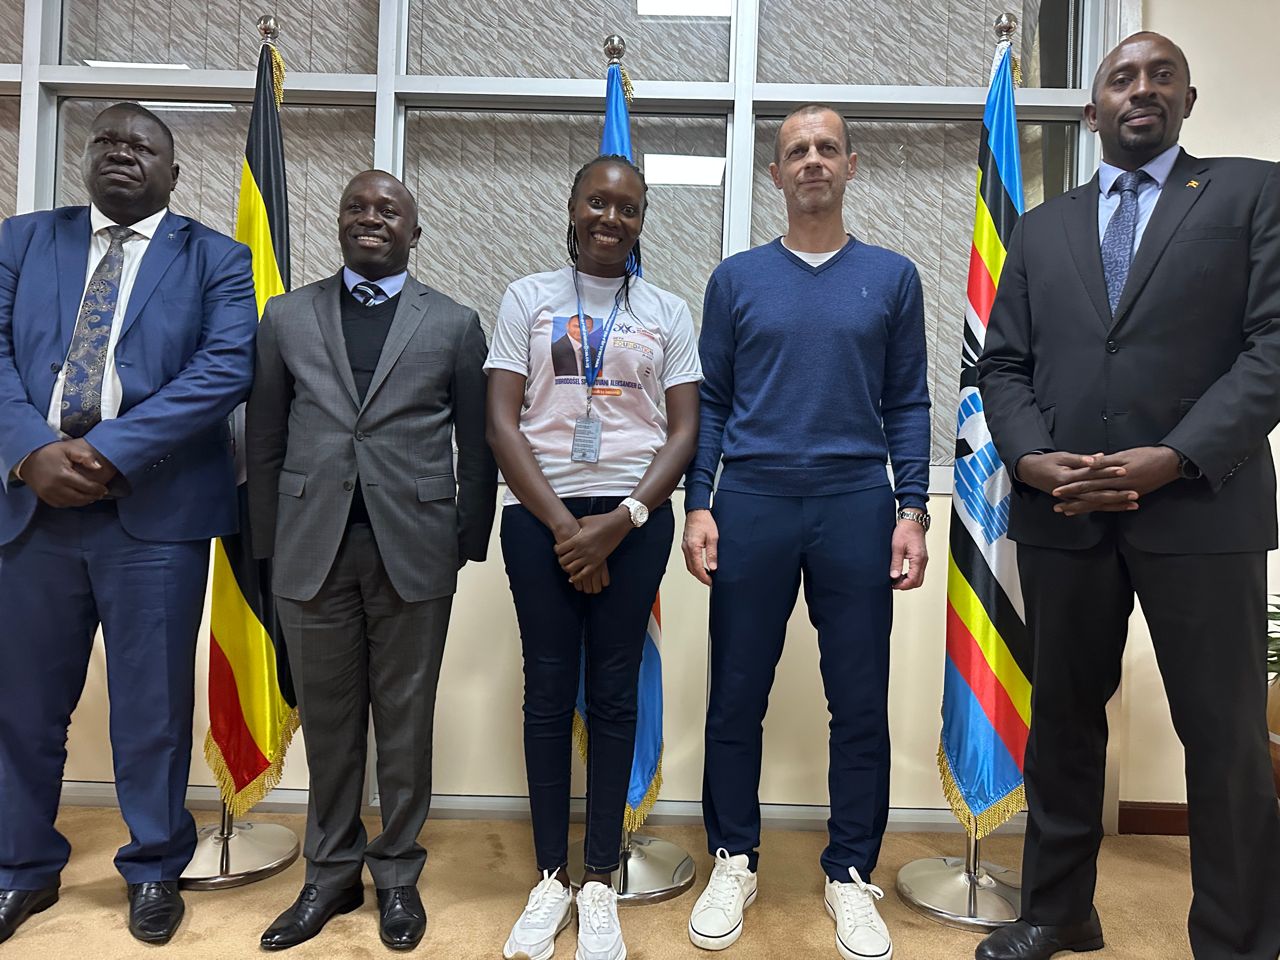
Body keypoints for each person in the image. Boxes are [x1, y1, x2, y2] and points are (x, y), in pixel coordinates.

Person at [976, 32, 1280, 960]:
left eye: (1161, 77)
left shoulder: (1251, 192)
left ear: (1188, 99)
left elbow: (1272, 349)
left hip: (1202, 508)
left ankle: (1237, 940)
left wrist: (1175, 455)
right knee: (1064, 722)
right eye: (1121, 78)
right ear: (1091, 108)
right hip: (1065, 513)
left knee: (1222, 734)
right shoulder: (1041, 225)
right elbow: (1003, 366)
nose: (1140, 90)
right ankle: (1058, 912)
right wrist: (1030, 460)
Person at [0, 102, 257, 946]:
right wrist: (32, 449)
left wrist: (106, 452)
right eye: (107, 141)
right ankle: (21, 865)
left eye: (142, 146)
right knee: (23, 704)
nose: (122, 154)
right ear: (86, 159)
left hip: (154, 514)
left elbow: (224, 368)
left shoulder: (218, 258)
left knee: (150, 706)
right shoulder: (23, 240)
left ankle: (153, 865)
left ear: (173, 174)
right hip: (32, 509)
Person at [681, 103, 931, 960]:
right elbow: (711, 401)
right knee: (736, 694)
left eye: (827, 148)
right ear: (776, 173)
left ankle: (850, 872)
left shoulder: (893, 277)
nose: (813, 160)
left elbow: (908, 400)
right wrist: (699, 504)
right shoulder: (737, 279)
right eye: (797, 151)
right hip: (750, 499)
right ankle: (733, 858)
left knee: (858, 700)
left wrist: (912, 510)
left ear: (852, 166)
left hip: (857, 503)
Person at [245, 169, 496, 952]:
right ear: (339, 223)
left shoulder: (453, 322)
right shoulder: (285, 316)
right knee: (327, 721)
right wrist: (264, 547)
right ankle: (328, 875)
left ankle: (397, 876)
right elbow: (264, 437)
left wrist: (465, 539)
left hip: (414, 552)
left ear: (414, 232)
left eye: (389, 210)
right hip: (311, 548)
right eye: (356, 205)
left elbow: (478, 446)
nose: (370, 217)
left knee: (405, 722)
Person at [485, 154, 701, 960]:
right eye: (597, 204)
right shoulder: (526, 299)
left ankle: (600, 879)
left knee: (614, 695)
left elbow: (683, 430)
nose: (611, 219)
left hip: (634, 517)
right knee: (547, 691)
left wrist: (624, 518)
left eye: (629, 208)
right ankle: (551, 878)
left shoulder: (667, 310)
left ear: (644, 219)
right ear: (571, 208)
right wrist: (567, 528)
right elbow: (504, 423)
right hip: (538, 518)